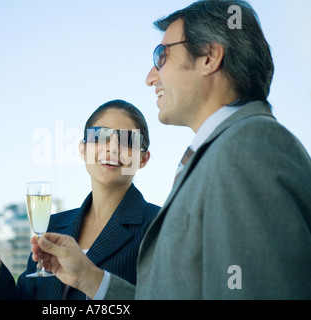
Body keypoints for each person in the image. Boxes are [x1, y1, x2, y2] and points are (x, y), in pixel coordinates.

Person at [30, 0, 311, 299]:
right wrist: (91, 279)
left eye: (161, 56)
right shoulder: (226, 150)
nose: (151, 77)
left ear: (209, 57)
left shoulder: (251, 148)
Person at [0, 99, 161, 299]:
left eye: (127, 140)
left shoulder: (160, 226)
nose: (113, 148)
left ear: (143, 159)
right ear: (83, 149)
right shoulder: (52, 225)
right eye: (100, 136)